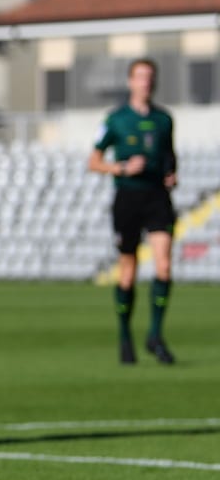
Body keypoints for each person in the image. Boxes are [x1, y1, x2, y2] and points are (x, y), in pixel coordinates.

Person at [87, 57, 178, 366]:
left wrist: (171, 173)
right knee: (129, 269)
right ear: (130, 81)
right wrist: (122, 167)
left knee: (164, 266)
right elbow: (93, 161)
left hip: (157, 198)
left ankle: (155, 335)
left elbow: (169, 156)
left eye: (150, 77)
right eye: (140, 77)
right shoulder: (115, 120)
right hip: (128, 198)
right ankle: (125, 336)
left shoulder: (165, 120)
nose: (145, 82)